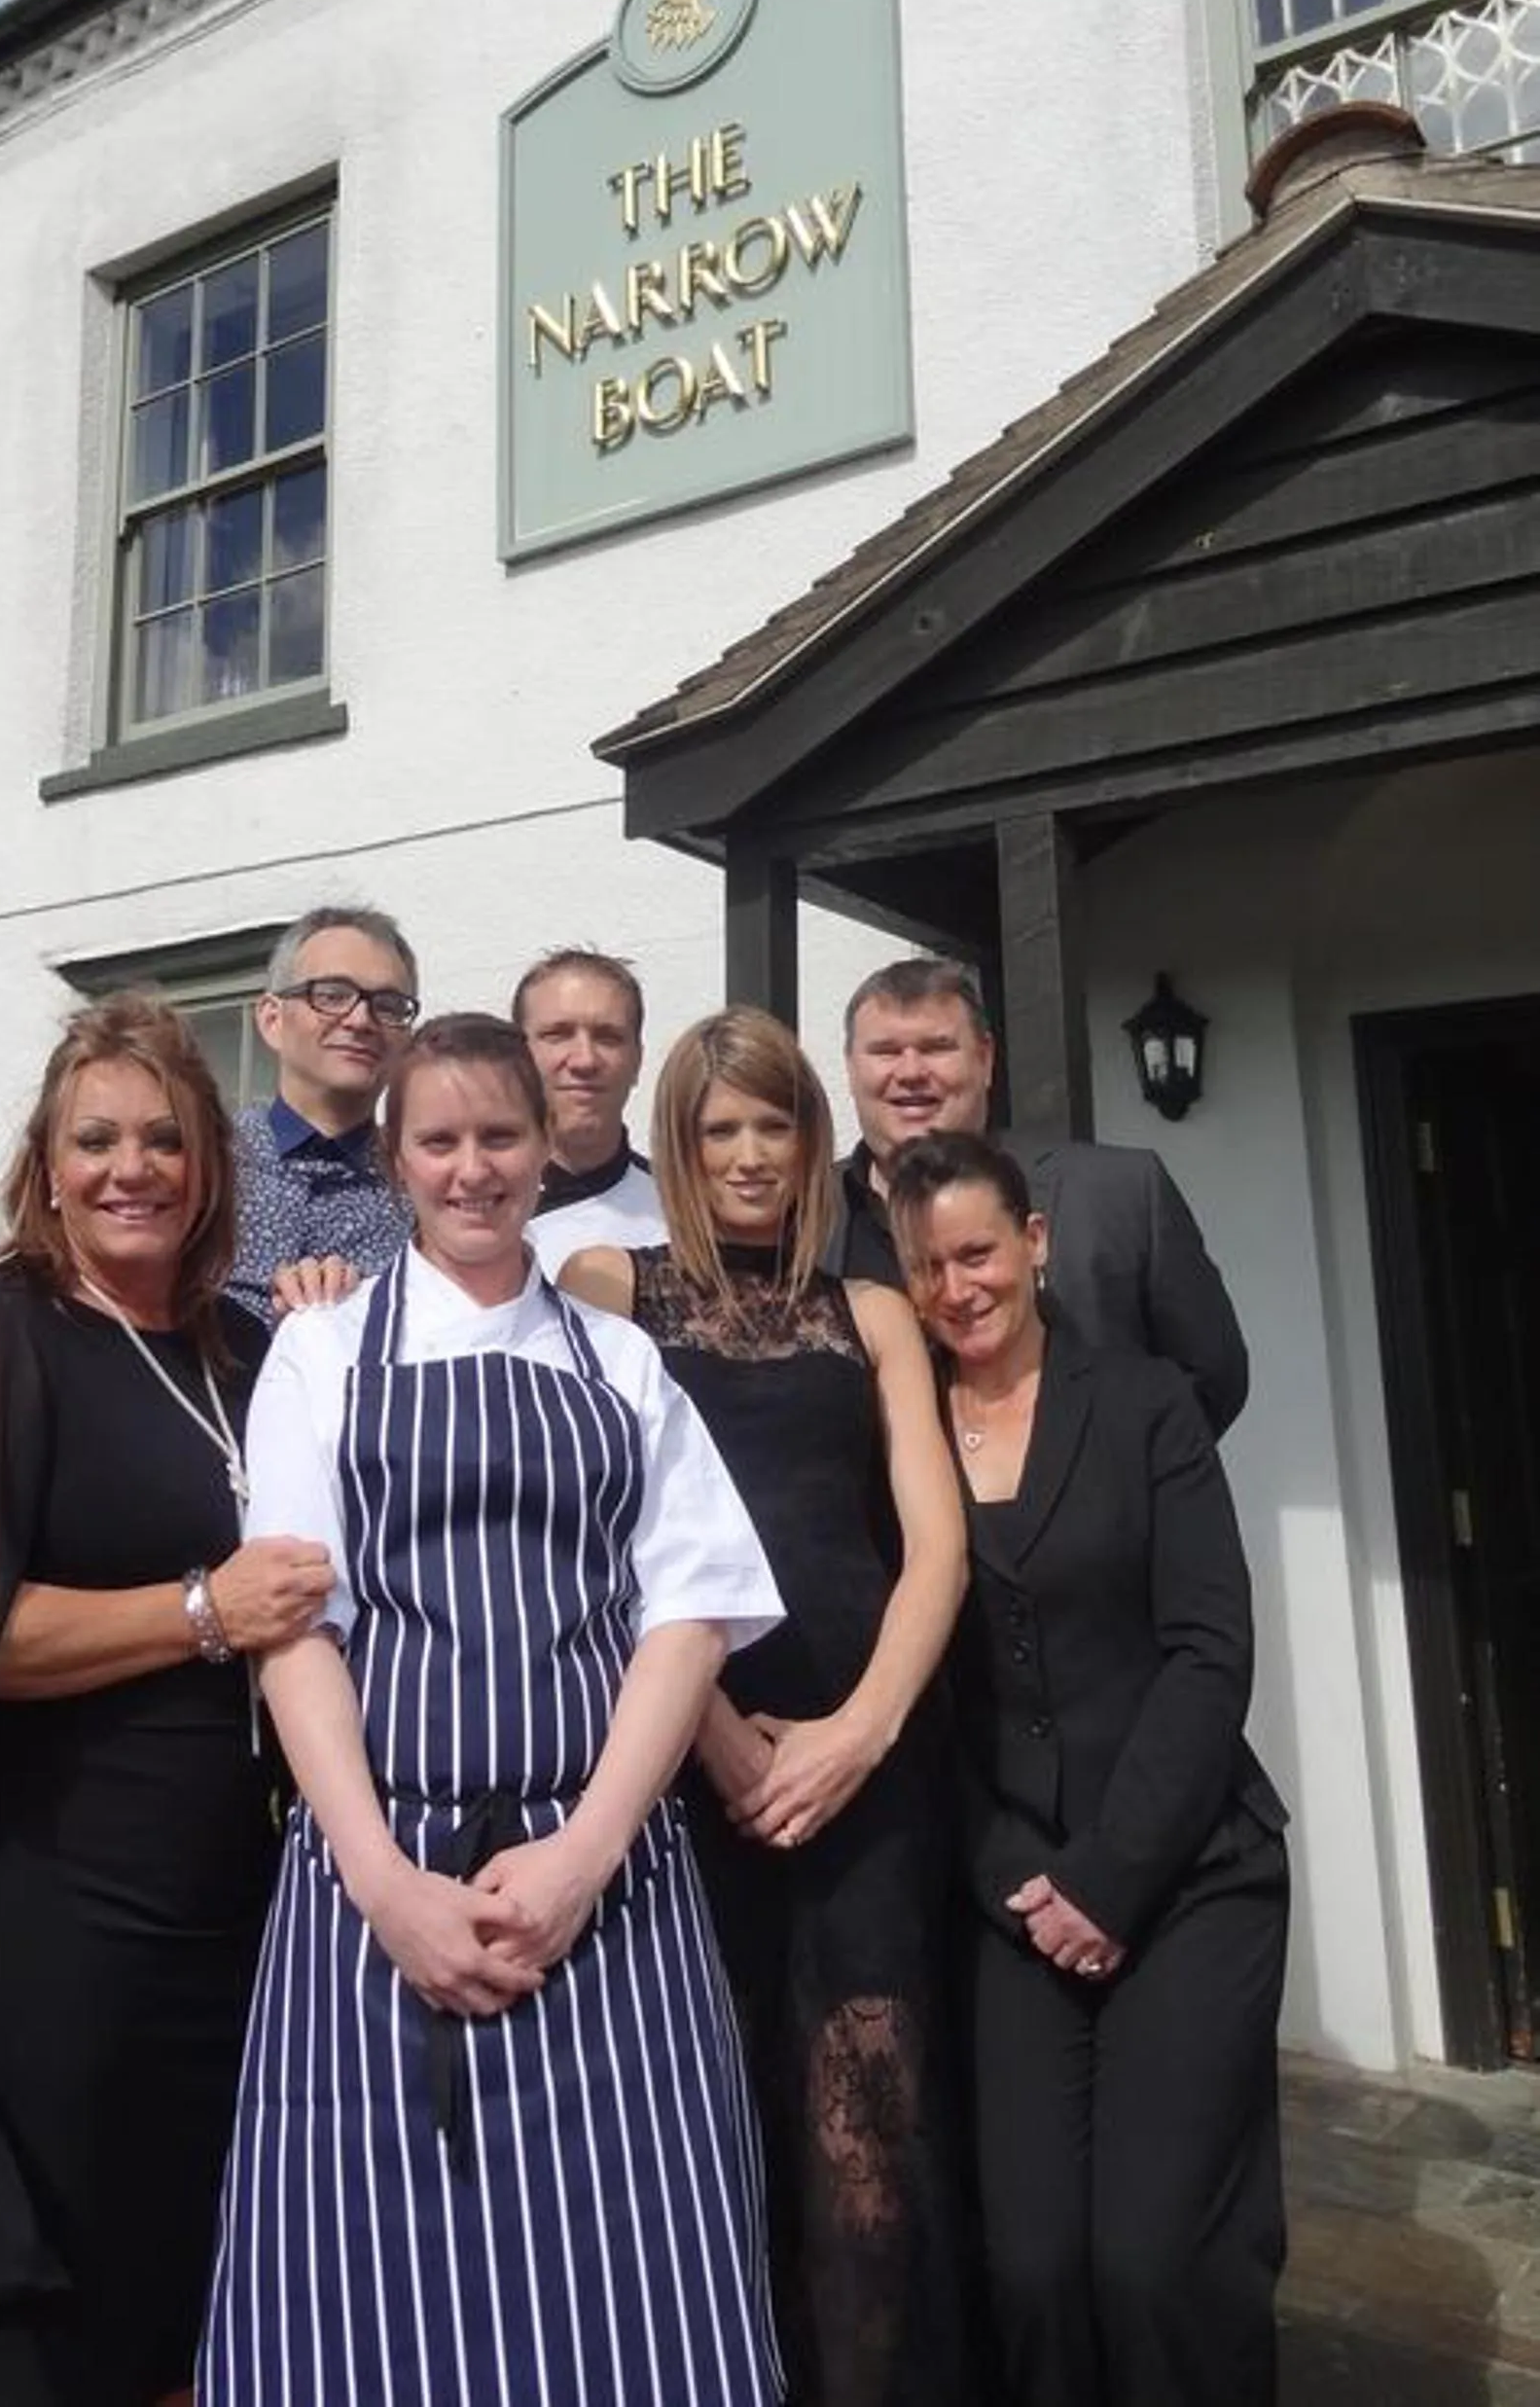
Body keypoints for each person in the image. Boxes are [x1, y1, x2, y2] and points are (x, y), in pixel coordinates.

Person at [197, 1013, 784, 2407]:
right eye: (440, 1141)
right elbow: (293, 1634)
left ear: (542, 1148)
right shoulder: (322, 1355)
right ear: (395, 1159)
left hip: (609, 1888)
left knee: (639, 2284)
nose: (473, 1170)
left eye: (499, 1137)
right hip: (375, 1877)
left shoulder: (619, 1362)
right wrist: (380, 1881)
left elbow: (684, 1618)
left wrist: (583, 1855)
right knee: (361, 2291)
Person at [0, 997, 335, 2407]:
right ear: (43, 1168)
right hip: (51, 1898)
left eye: (164, 1139)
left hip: (225, 1893)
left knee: (189, 2275)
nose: (130, 1167)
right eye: (94, 1140)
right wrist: (202, 1610)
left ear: (211, 1168)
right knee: (58, 2284)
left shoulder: (239, 1350)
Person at [559, 1006, 970, 2407]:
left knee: (870, 2135)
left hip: (867, 1767)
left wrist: (860, 1731)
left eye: (771, 1124)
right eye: (716, 1127)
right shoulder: (610, 1287)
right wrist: (715, 1735)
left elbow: (934, 1544)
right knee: (705, 2121)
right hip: (680, 1763)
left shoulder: (869, 1313)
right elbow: (590, 1538)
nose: (745, 1154)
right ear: (676, 1145)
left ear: (810, 1143)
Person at [888, 1130, 1288, 2407]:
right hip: (1013, 1890)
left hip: (1185, 1876)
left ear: (1034, 1244)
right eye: (928, 1267)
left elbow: (1207, 1652)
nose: (959, 1288)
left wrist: (1109, 1880)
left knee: (1152, 2263)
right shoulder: (899, 1445)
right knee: (1035, 2272)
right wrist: (1021, 1876)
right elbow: (925, 1701)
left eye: (979, 1253)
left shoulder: (1146, 1405)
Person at [830, 956, 1250, 1435]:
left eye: (937, 1047)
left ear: (985, 1059)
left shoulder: (1119, 1194)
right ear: (850, 1068)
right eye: (885, 1051)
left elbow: (1213, 1377)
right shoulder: (801, 1218)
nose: (910, 1071)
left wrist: (1125, 1483)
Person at [226, 904, 419, 1322]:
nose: (361, 1019)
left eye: (388, 1005)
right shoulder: (206, 1165)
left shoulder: (425, 1187)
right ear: (272, 1019)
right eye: (331, 996)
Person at [514, 945, 670, 1275]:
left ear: (637, 1060)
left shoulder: (684, 1217)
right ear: (517, 1054)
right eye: (558, 1035)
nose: (585, 1060)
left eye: (608, 1037)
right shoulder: (461, 1207)